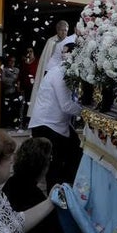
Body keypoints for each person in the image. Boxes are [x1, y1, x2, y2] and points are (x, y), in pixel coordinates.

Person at [28, 34, 82, 188]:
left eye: (67, 52)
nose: (64, 55)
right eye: (63, 52)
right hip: (47, 125)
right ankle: (56, 197)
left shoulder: (65, 72)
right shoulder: (59, 73)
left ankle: (66, 189)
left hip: (55, 124)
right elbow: (66, 105)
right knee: (55, 165)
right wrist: (85, 112)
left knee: (74, 151)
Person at [29, 19, 70, 112]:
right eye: (61, 30)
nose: (64, 32)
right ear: (57, 30)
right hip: (51, 73)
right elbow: (46, 60)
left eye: (66, 30)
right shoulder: (51, 42)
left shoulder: (69, 41)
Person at [0, 54, 22, 129]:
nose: (12, 62)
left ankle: (15, 124)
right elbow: (3, 80)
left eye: (14, 61)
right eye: (11, 61)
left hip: (17, 91)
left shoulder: (17, 70)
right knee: (7, 108)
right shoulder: (5, 69)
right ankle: (7, 123)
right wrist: (13, 80)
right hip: (8, 91)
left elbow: (20, 79)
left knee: (16, 108)